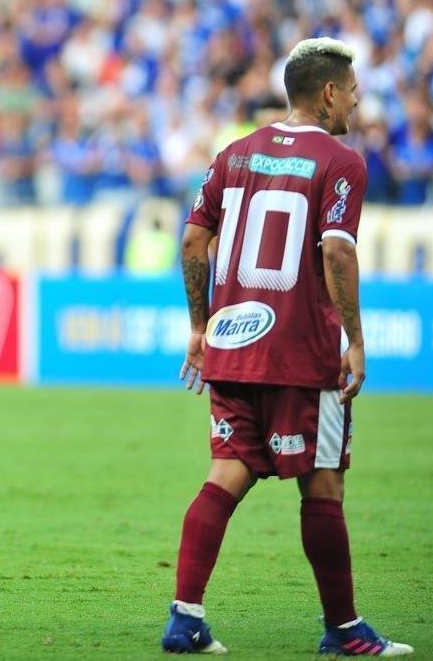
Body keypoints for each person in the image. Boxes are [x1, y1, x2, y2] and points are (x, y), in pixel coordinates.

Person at [161, 38, 412, 656]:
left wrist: (200, 327)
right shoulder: (342, 161)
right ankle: (345, 631)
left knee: (224, 474)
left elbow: (194, 241)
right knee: (323, 484)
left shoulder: (234, 153)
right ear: (328, 92)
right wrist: (354, 338)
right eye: (351, 90)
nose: (355, 101)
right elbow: (337, 249)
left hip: (233, 343)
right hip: (302, 353)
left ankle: (185, 618)